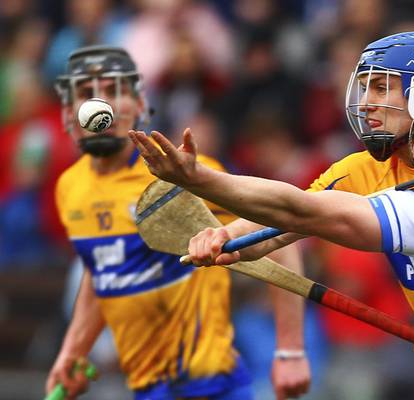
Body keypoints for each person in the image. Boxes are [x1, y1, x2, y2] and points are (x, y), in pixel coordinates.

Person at [135, 32, 414, 399]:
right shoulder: (367, 170)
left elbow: (294, 211)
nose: (367, 102)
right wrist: (226, 236)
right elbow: (286, 219)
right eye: (365, 86)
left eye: (382, 87)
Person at [45, 45, 310, 400]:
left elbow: (278, 237)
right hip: (146, 389)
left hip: (211, 385)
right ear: (68, 111)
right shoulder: (70, 188)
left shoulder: (182, 176)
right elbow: (100, 272)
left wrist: (290, 350)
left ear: (140, 105)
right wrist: (73, 352)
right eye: (85, 94)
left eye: (112, 91)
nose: (100, 104)